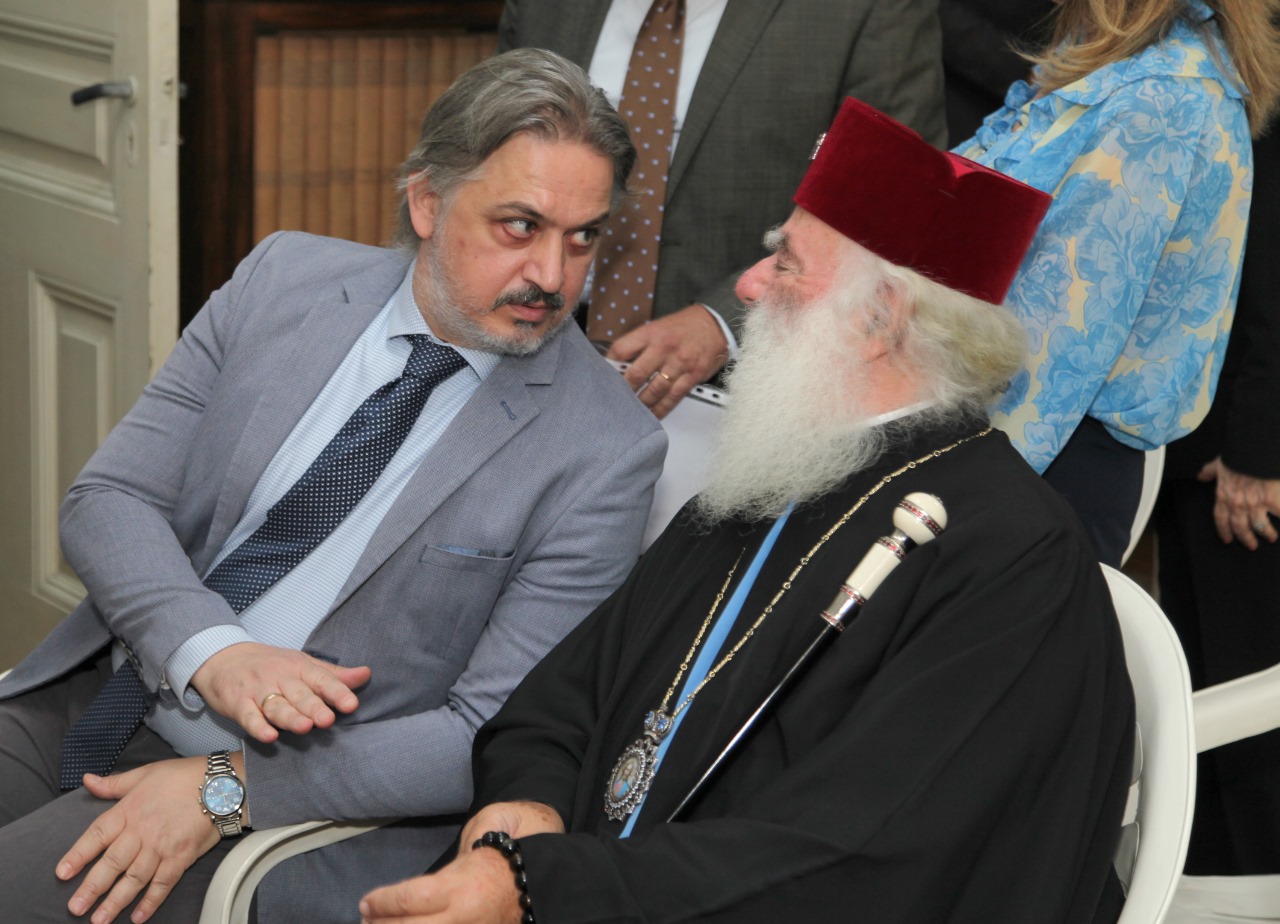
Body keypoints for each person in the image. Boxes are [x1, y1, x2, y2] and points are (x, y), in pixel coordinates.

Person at [359, 99, 1135, 924]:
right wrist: (530, 803)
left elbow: (862, 864)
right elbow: (564, 698)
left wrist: (547, 885)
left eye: (786, 264)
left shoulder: (1011, 557)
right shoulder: (770, 479)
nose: (749, 284)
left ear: (879, 319)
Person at [0, 49, 666, 924]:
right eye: (520, 226)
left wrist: (219, 789)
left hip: (285, 802)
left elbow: (490, 732)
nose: (553, 275)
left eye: (583, 238)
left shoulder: (607, 448)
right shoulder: (283, 278)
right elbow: (109, 500)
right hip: (114, 683)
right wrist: (214, 652)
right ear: (427, 202)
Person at [498, 0, 946, 418]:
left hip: (738, 390)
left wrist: (723, 320)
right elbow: (494, 156)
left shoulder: (867, 11)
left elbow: (894, 199)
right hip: (520, 353)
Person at [952, 0, 1280, 565]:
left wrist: (963, 486)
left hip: (1038, 458)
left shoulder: (1163, 94)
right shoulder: (1123, 62)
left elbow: (1060, 350)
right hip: (1020, 442)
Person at [1156, 128, 1280, 892]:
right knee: (1200, 704)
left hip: (1247, 468)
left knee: (1249, 713)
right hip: (1201, 445)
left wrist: (1261, 449)